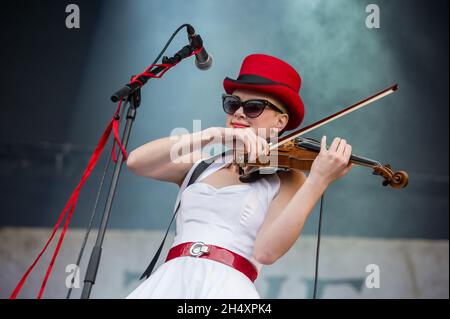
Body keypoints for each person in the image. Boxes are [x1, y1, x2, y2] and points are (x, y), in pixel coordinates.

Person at [125, 54, 353, 298]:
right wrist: (213, 135)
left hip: (227, 289)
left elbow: (267, 252)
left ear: (280, 121)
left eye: (253, 107)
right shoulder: (202, 165)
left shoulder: (286, 177)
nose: (239, 113)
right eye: (233, 104)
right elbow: (137, 161)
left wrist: (318, 181)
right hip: (171, 282)